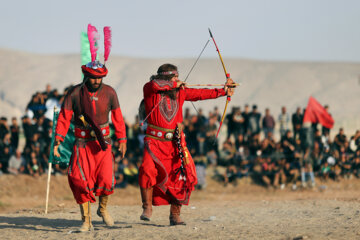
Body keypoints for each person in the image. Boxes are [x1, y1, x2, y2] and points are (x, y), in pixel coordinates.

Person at [139, 63, 235, 225]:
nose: (177, 79)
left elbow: (201, 94)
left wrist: (224, 90)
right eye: (174, 77)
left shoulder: (180, 92)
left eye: (177, 77)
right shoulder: (150, 89)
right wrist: (173, 84)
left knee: (182, 176)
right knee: (147, 171)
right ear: (165, 77)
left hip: (174, 142)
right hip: (154, 141)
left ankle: (175, 215)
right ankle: (147, 207)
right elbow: (155, 84)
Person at [53, 25, 127, 232]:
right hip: (82, 144)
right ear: (86, 75)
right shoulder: (74, 93)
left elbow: (118, 119)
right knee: (79, 180)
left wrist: (122, 140)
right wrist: (58, 141)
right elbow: (65, 118)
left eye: (99, 77)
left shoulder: (110, 92)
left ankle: (102, 209)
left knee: (106, 179)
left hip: (103, 145)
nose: (96, 80)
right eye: (93, 77)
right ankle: (86, 220)